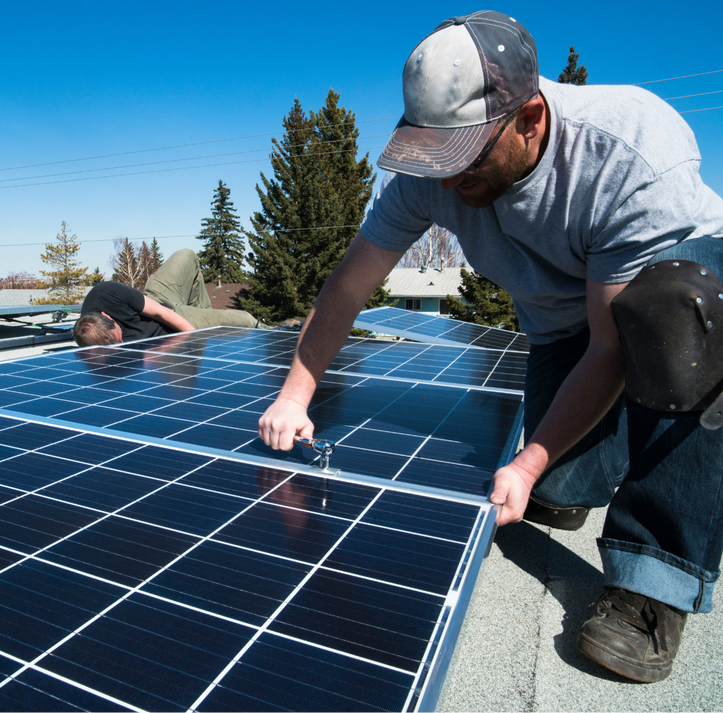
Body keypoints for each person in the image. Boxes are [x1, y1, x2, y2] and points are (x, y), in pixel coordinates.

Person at [258, 11, 723, 683]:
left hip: (669, 296)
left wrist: (528, 463)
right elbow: (350, 285)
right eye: (435, 157)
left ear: (529, 118)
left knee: (680, 320)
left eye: (464, 159)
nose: (447, 183)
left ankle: (656, 580)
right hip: (564, 323)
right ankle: (597, 454)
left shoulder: (628, 148)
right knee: (564, 486)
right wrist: (295, 393)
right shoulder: (430, 174)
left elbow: (610, 346)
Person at [73, 248, 259, 346]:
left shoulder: (107, 293)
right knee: (244, 320)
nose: (122, 343)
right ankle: (282, 329)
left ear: (107, 316)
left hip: (162, 306)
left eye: (119, 337)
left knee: (187, 256)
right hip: (168, 335)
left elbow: (161, 313)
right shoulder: (94, 343)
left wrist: (198, 339)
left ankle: (202, 315)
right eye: (118, 345)